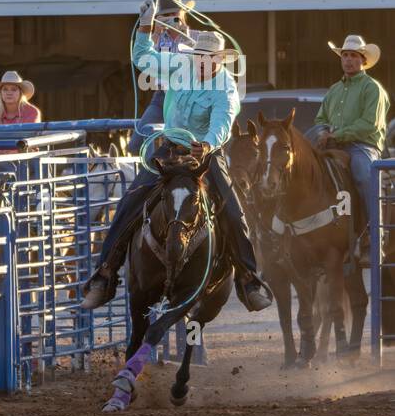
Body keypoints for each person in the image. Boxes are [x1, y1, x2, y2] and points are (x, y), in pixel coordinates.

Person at [79, 17, 272, 312]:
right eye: (200, 57)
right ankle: (105, 273)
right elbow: (144, 58)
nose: (204, 63)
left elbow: (223, 120)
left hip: (206, 152)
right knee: (131, 200)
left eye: (211, 59)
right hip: (170, 148)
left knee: (233, 208)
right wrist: (144, 28)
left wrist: (207, 144)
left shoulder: (226, 86)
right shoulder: (179, 67)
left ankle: (248, 277)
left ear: (220, 60)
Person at [305, 34, 387, 253]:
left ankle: (375, 233)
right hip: (334, 145)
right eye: (345, 55)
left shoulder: (373, 88)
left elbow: (369, 124)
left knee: (362, 173)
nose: (348, 60)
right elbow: (320, 119)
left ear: (363, 60)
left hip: (362, 146)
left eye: (353, 55)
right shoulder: (334, 90)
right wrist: (323, 131)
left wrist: (336, 135)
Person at [129, 0, 194, 154]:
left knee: (187, 144)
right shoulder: (154, 39)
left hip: (190, 98)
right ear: (158, 18)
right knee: (136, 144)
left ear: (182, 13)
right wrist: (155, 31)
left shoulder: (197, 38)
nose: (172, 18)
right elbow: (143, 61)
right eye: (166, 15)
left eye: (175, 14)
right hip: (162, 97)